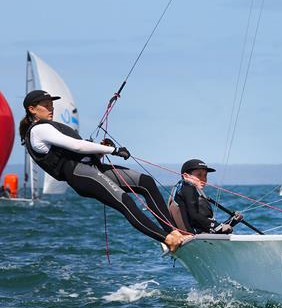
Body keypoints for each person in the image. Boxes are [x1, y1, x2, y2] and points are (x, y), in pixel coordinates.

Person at [19, 89, 187, 252]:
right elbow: (77, 146)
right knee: (126, 203)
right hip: (80, 175)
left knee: (146, 182)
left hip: (92, 167)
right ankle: (167, 239)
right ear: (32, 109)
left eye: (51, 105)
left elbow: (75, 152)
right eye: (46, 105)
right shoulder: (38, 130)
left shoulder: (49, 127)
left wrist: (98, 151)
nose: (51, 108)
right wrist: (113, 151)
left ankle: (174, 231)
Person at [173, 159, 236, 234]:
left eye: (205, 175)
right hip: (194, 239)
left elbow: (200, 224)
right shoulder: (188, 188)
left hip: (194, 236)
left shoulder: (181, 188)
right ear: (186, 176)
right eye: (199, 175)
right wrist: (218, 226)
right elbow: (195, 218)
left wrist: (232, 221)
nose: (203, 179)